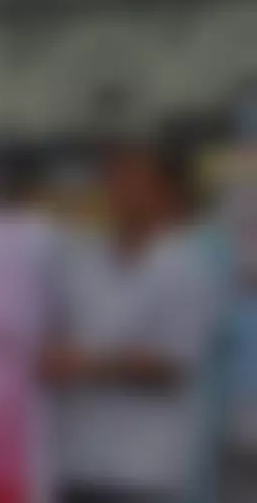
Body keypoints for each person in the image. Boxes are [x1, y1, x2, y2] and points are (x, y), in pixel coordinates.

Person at [42, 140, 219, 503]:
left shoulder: (188, 266)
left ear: (167, 193)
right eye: (115, 180)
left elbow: (172, 367)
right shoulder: (81, 258)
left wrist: (88, 365)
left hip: (144, 471)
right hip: (76, 460)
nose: (121, 192)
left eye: (135, 182)